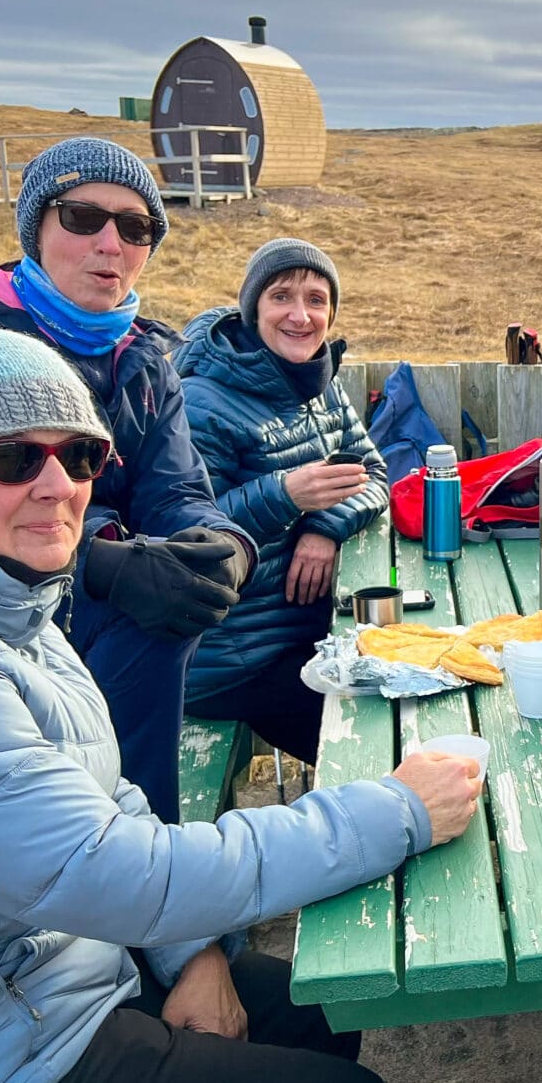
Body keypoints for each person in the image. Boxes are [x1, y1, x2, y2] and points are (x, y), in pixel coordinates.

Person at [0, 326, 484, 1083]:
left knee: (320, 1005)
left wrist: (191, 955)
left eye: (80, 456)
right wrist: (397, 811)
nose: (59, 487)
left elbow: (101, 805)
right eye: (14, 458)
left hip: (36, 975)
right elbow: (115, 872)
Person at [0, 137, 255, 818]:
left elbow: (175, 488)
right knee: (150, 615)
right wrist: (103, 560)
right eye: (82, 217)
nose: (110, 244)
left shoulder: (146, 357)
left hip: (87, 581)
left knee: (180, 597)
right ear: (35, 227)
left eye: (136, 227)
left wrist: (223, 546)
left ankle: (134, 845)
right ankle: (128, 852)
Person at [177, 239, 387, 763]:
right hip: (232, 662)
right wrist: (285, 495)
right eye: (281, 297)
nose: (301, 315)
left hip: (303, 634)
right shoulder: (204, 400)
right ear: (253, 309)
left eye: (316, 300)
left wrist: (323, 527)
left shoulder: (319, 381)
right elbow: (183, 538)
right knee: (379, 751)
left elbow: (376, 472)